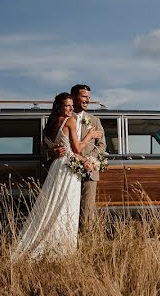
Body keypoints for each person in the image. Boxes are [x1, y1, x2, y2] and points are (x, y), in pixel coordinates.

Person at [11, 92, 97, 260]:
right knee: (66, 207)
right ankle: (61, 251)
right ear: (59, 107)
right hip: (67, 170)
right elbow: (77, 149)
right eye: (67, 105)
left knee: (53, 205)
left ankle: (50, 245)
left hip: (56, 167)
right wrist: (89, 136)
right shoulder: (70, 121)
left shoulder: (49, 126)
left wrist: (86, 161)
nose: (71, 109)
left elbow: (65, 151)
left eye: (72, 106)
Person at [70, 83, 106, 232]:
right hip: (68, 170)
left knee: (87, 209)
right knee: (69, 206)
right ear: (73, 97)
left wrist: (90, 160)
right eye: (84, 96)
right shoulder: (65, 118)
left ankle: (86, 241)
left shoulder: (94, 120)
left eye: (89, 97)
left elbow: (102, 145)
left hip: (90, 172)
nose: (87, 100)